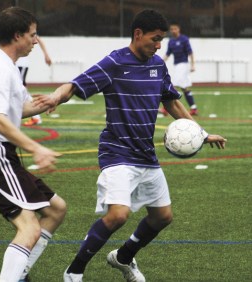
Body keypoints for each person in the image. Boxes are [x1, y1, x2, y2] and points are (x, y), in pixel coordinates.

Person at [33, 9, 226, 282]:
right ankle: (74, 271)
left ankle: (123, 257)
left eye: (161, 40)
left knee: (162, 217)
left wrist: (202, 134)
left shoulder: (158, 65)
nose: (159, 45)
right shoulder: (114, 62)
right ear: (138, 34)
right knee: (118, 215)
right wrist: (55, 97)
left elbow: (170, 100)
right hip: (116, 151)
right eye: (155, 39)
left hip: (145, 154)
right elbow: (76, 85)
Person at [0, 7, 66, 282]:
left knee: (56, 209)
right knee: (29, 228)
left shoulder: (8, 67)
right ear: (17, 36)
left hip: (2, 154)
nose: (36, 41)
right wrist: (36, 147)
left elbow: (18, 108)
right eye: (33, 35)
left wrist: (50, 100)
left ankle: (19, 273)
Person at [162, 22, 198, 116]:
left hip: (183, 65)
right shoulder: (171, 41)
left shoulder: (184, 39)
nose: (173, 31)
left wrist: (193, 65)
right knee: (185, 88)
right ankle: (193, 108)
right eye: (171, 29)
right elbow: (167, 54)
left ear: (179, 29)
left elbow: (190, 52)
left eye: (175, 29)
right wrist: (160, 62)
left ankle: (166, 108)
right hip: (177, 66)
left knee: (173, 85)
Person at [18, 36, 52, 126]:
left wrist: (46, 55)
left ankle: (36, 117)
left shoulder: (23, 27)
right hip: (17, 62)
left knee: (20, 88)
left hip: (20, 63)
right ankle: (35, 117)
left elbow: (38, 39)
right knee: (20, 88)